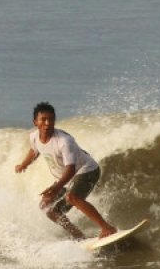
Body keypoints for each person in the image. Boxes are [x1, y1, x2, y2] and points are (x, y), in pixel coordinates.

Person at [15, 102, 117, 240]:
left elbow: (71, 170)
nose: (47, 123)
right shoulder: (34, 136)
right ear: (35, 122)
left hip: (86, 170)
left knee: (72, 198)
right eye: (43, 119)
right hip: (65, 178)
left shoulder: (64, 141)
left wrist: (56, 188)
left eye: (51, 119)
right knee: (46, 207)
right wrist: (23, 164)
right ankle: (78, 235)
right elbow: (34, 151)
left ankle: (107, 227)